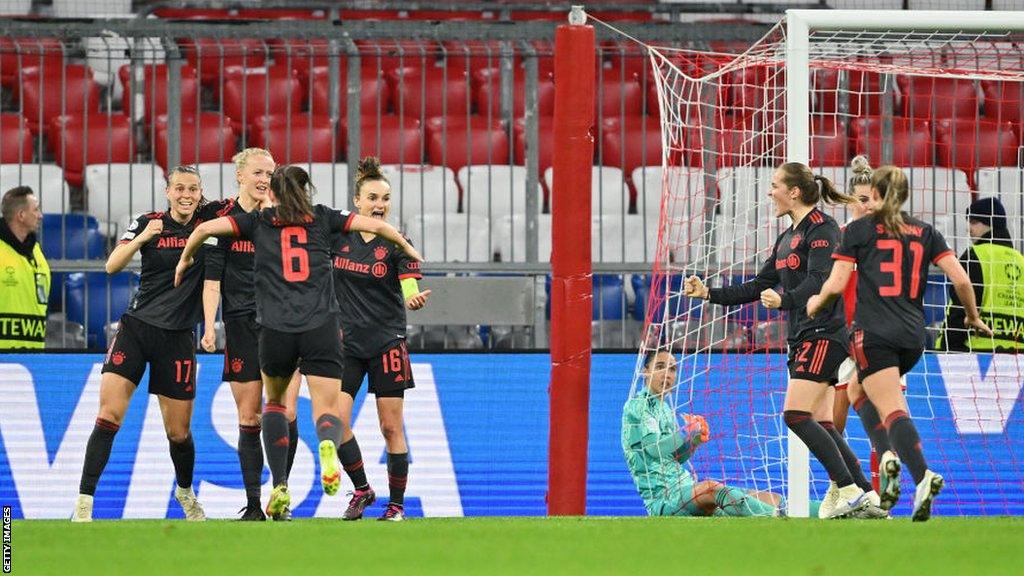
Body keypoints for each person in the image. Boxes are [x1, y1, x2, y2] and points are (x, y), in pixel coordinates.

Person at [175, 164, 422, 519]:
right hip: (322, 328)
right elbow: (379, 227)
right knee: (326, 411)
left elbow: (205, 228)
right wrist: (407, 248)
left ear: (272, 193)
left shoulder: (258, 221)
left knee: (276, 404)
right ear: (307, 191)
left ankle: (279, 484)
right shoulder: (323, 217)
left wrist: (185, 259)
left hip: (275, 329)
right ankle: (326, 445)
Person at [684, 162, 882, 519]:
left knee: (795, 414)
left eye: (774, 184)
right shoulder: (787, 237)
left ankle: (848, 491)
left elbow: (822, 279)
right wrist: (708, 294)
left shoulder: (824, 229)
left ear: (794, 192)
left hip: (824, 332)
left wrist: (786, 300)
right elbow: (756, 286)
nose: (769, 191)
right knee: (820, 421)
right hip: (803, 335)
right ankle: (865, 493)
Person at [808, 165, 993, 521]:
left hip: (873, 335)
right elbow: (962, 281)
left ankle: (922, 475)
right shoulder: (926, 232)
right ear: (905, 195)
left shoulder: (859, 230)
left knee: (890, 407)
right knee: (860, 390)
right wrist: (971, 316)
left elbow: (835, 285)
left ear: (874, 195)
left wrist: (816, 303)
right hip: (913, 336)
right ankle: (888, 455)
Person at [72, 166, 214, 522]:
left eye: (193, 189)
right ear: (167, 192)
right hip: (137, 329)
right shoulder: (148, 222)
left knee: (178, 433)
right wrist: (141, 238)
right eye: (179, 187)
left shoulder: (210, 228)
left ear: (201, 193)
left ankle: (184, 491)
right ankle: (84, 503)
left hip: (179, 336)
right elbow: (111, 266)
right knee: (108, 416)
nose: (186, 194)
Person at [201, 147, 302, 521]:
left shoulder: (283, 220)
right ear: (240, 176)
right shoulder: (224, 221)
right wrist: (210, 324)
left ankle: (282, 494)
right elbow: (212, 280)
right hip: (241, 325)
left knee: (286, 411)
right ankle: (255, 505)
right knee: (249, 417)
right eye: (258, 172)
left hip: (282, 325)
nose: (265, 179)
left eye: (270, 173)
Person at [330, 157, 430, 522]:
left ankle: (396, 505)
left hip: (387, 341)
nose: (380, 205)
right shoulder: (337, 236)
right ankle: (362, 489)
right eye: (373, 197)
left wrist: (412, 297)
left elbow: (408, 285)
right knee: (334, 422)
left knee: (390, 427)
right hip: (345, 344)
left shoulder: (398, 243)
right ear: (357, 201)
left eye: (385, 198)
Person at [622, 350, 792, 517]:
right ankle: (776, 519)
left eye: (672, 369)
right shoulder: (637, 406)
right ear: (645, 372)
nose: (667, 373)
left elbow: (676, 458)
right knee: (712, 489)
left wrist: (693, 441)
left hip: (686, 489)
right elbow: (653, 449)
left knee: (764, 497)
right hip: (664, 501)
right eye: (660, 366)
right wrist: (684, 432)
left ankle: (810, 510)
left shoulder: (665, 409)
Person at [935, 197, 1024, 352]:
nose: (969, 229)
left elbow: (960, 306)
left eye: (974, 222)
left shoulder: (975, 255)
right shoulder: (1021, 260)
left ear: (991, 224)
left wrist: (946, 348)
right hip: (1017, 358)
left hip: (975, 354)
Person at [0, 186, 49, 350]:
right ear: (21, 215)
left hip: (33, 355)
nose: (40, 215)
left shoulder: (37, 251)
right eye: (35, 210)